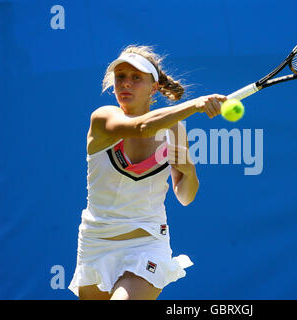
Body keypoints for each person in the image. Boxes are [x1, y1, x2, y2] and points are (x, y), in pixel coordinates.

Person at [68, 45, 226, 300]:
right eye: (120, 77)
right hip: (96, 244)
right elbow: (141, 127)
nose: (125, 84)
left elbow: (185, 196)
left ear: (153, 88)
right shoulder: (103, 118)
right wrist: (195, 105)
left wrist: (188, 170)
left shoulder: (174, 131)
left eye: (136, 78)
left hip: (147, 244)